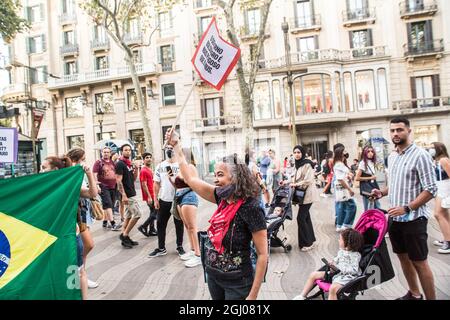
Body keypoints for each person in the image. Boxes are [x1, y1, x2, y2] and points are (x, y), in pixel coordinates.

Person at [166, 129, 268, 300]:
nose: (215, 180)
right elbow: (190, 179)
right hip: (214, 277)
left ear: (236, 177)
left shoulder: (252, 207)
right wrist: (177, 146)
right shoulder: (221, 196)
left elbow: (263, 255)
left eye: (220, 175)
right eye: (214, 175)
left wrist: (252, 296)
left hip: (238, 283)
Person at [371, 117, 437, 300]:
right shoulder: (392, 156)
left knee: (420, 262)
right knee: (403, 258)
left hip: (414, 219)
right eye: (392, 130)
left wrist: (407, 208)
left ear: (409, 130)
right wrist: (381, 193)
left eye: (399, 130)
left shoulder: (420, 155)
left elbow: (431, 189)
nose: (395, 134)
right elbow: (395, 184)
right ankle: (415, 294)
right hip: (395, 219)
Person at [42, 155, 96, 300]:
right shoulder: (42, 186)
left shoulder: (70, 185)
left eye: (44, 168)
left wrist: (89, 174)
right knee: (56, 271)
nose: (41, 172)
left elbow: (92, 193)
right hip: (51, 236)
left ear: (55, 169)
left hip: (69, 235)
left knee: (78, 271)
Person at [293, 228, 364, 300]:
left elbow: (354, 270)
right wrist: (332, 263)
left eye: (340, 239)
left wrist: (339, 268)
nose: (338, 240)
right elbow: (338, 259)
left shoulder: (355, 256)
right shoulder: (342, 251)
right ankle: (302, 296)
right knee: (313, 274)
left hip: (347, 277)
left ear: (347, 244)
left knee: (333, 289)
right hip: (337, 273)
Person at [66, 148, 99, 290]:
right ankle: (78, 276)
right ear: (75, 160)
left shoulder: (79, 172)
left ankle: (81, 274)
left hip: (82, 213)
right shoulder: (70, 174)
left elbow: (93, 193)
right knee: (86, 245)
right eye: (83, 158)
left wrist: (89, 174)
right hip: (74, 217)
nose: (84, 161)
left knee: (84, 247)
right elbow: (91, 192)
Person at [148, 145, 185, 257]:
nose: (169, 149)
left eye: (171, 147)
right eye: (167, 147)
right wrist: (155, 199)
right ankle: (161, 248)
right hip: (164, 200)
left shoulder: (181, 165)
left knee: (179, 224)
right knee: (160, 224)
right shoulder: (160, 166)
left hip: (178, 199)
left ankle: (179, 246)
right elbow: (156, 183)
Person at [171, 148, 201, 267]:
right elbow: (177, 184)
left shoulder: (191, 167)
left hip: (188, 197)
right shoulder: (181, 167)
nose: (178, 156)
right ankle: (193, 250)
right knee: (187, 226)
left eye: (180, 154)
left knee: (193, 227)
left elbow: (194, 183)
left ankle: (199, 255)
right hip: (180, 197)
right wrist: (172, 179)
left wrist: (182, 178)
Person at [286, 145, 319, 251]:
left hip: (308, 195)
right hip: (301, 195)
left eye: (299, 152)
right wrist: (286, 182)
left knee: (300, 218)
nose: (296, 154)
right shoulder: (297, 164)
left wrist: (295, 185)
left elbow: (308, 180)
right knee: (306, 218)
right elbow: (294, 178)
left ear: (302, 153)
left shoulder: (307, 164)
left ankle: (307, 243)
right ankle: (311, 240)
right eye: (295, 152)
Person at [115, 144, 142, 249]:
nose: (128, 152)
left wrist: (136, 169)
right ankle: (124, 235)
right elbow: (118, 180)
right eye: (125, 150)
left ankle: (125, 237)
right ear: (121, 151)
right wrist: (124, 195)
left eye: (129, 150)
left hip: (131, 191)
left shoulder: (129, 163)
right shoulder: (120, 164)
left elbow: (134, 179)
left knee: (129, 216)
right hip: (127, 194)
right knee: (137, 214)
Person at [429, 142, 450, 254]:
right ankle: (447, 237)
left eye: (432, 148)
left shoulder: (443, 160)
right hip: (440, 187)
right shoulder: (437, 160)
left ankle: (448, 242)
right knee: (444, 215)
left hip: (444, 188)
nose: (430, 150)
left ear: (439, 149)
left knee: (438, 214)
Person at [93, 147, 121, 231]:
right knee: (108, 204)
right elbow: (94, 174)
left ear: (110, 153)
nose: (106, 153)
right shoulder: (98, 162)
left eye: (108, 152)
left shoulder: (113, 162)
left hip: (113, 186)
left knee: (109, 205)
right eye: (104, 152)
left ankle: (105, 222)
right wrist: (97, 185)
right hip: (103, 186)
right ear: (101, 153)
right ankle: (113, 223)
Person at [333, 146, 357, 232]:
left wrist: (348, 176)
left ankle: (340, 225)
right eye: (344, 151)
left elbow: (342, 176)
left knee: (342, 207)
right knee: (352, 206)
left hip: (342, 188)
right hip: (343, 189)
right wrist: (349, 190)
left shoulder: (339, 163)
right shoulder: (339, 164)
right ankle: (346, 225)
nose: (346, 152)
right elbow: (340, 179)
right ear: (341, 153)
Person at [137, 152, 158, 237]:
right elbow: (143, 184)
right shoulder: (143, 170)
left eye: (150, 157)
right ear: (143, 159)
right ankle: (143, 226)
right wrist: (149, 197)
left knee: (152, 212)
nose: (149, 159)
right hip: (149, 195)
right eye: (147, 157)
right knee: (156, 211)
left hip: (153, 194)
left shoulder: (149, 169)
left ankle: (152, 229)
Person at [355, 146, 381, 211]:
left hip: (373, 185)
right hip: (366, 187)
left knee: (376, 206)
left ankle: (377, 220)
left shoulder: (372, 162)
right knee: (368, 207)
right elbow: (357, 178)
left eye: (372, 151)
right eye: (368, 151)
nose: (370, 153)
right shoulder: (363, 163)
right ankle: (367, 220)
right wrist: (371, 177)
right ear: (365, 153)